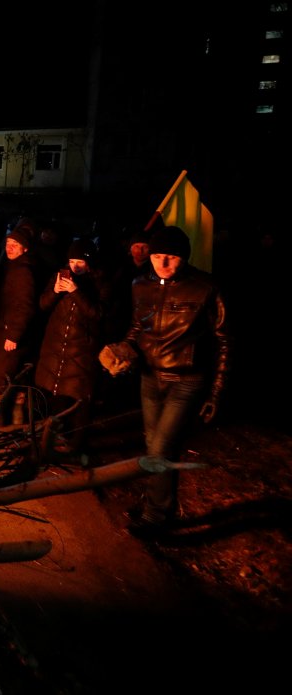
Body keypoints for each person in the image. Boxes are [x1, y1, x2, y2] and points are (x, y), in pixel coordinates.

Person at [100, 226, 229, 536]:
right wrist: (123, 350)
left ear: (183, 257)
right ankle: (161, 506)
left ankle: (155, 518)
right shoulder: (140, 284)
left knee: (158, 451)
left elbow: (224, 341)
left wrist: (216, 392)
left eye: (170, 258)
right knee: (154, 448)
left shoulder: (205, 288)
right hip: (149, 378)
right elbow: (138, 328)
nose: (162, 264)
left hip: (186, 381)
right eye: (157, 257)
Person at [35, 238, 111, 439]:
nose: (74, 267)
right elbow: (42, 305)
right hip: (55, 347)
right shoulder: (58, 277)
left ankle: (75, 446)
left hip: (81, 351)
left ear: (89, 263)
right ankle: (52, 439)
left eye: (80, 262)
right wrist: (54, 292)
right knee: (54, 395)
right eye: (71, 261)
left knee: (77, 398)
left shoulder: (100, 282)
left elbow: (98, 314)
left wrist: (75, 292)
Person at [0, 224, 41, 425]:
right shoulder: (14, 266)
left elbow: (25, 306)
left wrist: (13, 335)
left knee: (1, 372)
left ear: (25, 248)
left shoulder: (23, 271)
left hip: (11, 332)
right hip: (11, 330)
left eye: (15, 244)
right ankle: (18, 415)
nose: (10, 247)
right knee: (17, 373)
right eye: (8, 243)